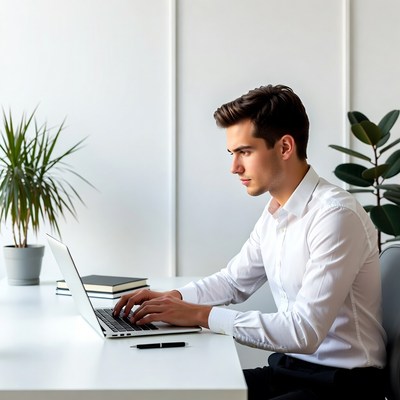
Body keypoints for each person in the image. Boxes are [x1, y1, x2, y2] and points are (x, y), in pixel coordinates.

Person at [113, 84, 387, 400]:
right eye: (232, 154)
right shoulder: (276, 213)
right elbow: (233, 282)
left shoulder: (336, 215)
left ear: (285, 147)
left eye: (245, 152)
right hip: (292, 369)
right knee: (183, 392)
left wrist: (199, 315)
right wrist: (171, 299)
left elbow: (304, 332)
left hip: (344, 385)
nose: (234, 167)